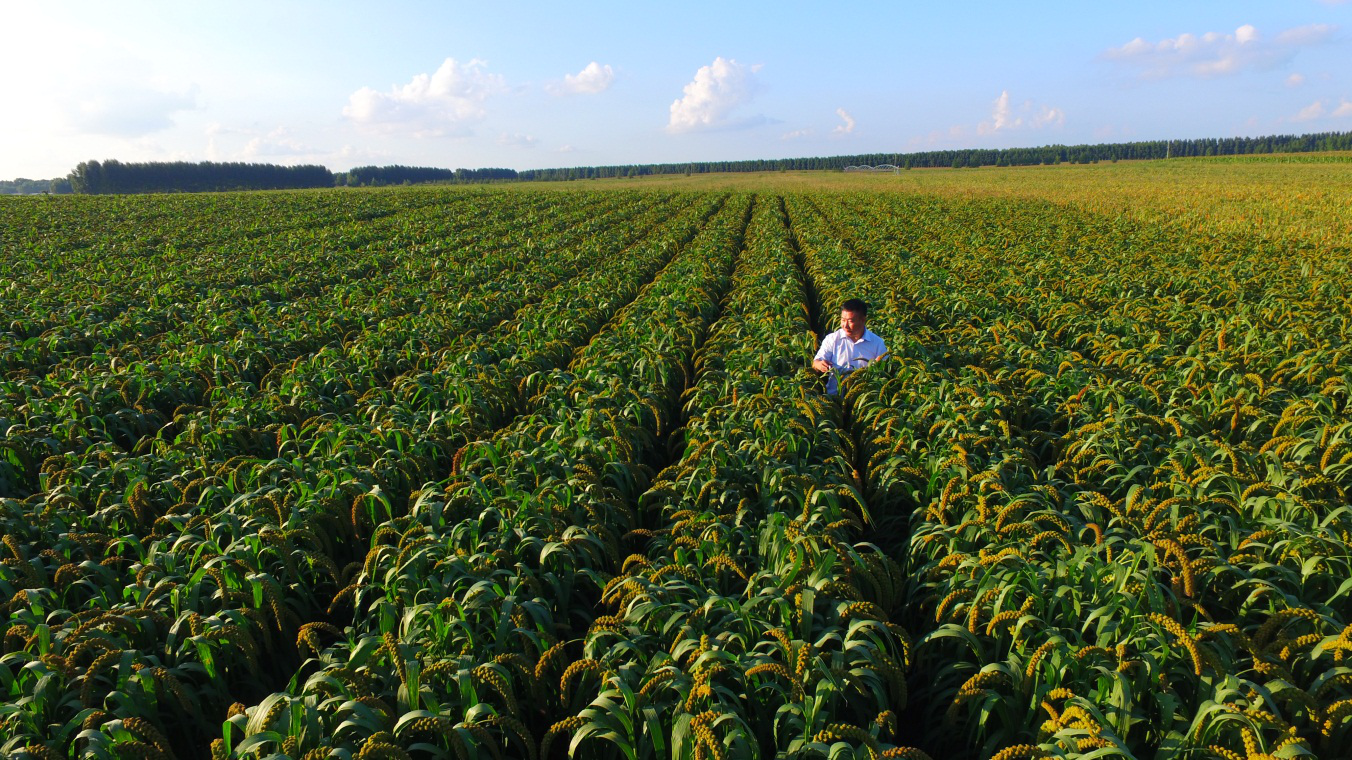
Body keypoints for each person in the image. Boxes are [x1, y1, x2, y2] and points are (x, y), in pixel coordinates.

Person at [812, 298, 886, 395]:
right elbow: (815, 363)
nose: (845, 325)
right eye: (843, 320)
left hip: (863, 400)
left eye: (850, 321)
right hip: (835, 398)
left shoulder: (877, 343)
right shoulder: (833, 339)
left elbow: (884, 374)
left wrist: (877, 367)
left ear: (863, 320)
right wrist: (820, 365)